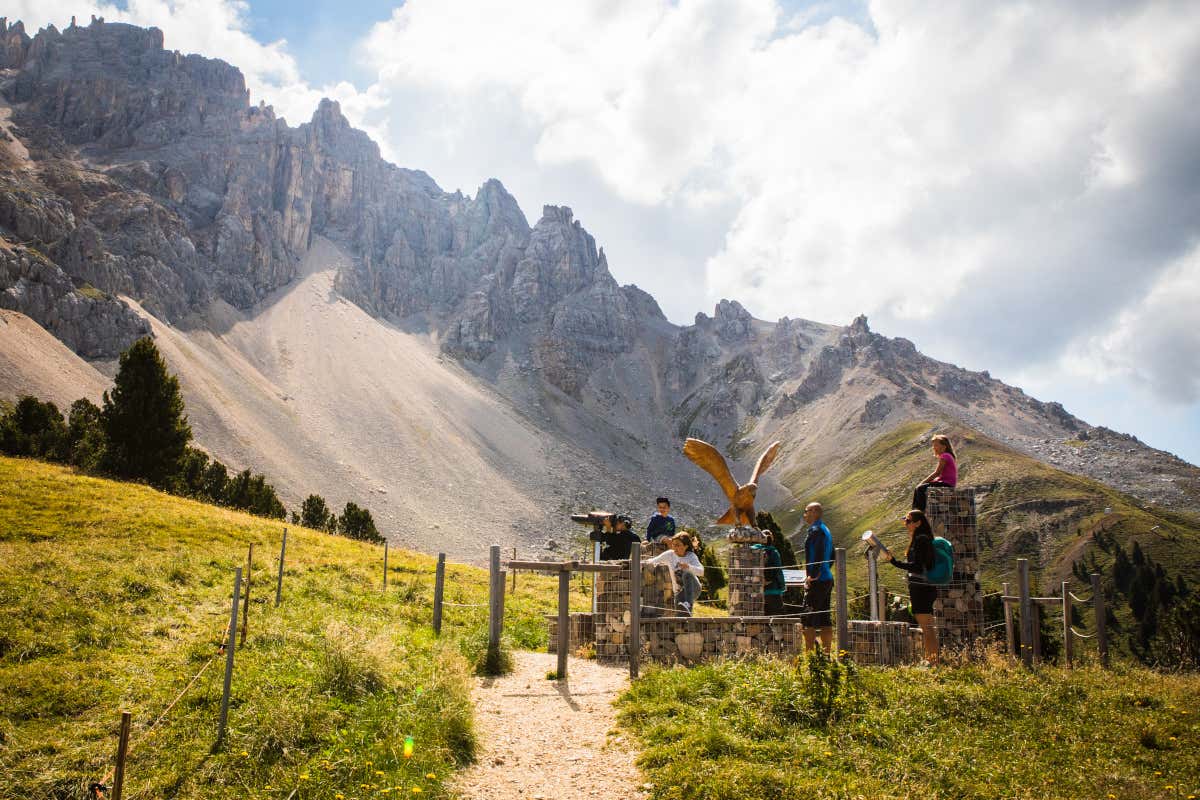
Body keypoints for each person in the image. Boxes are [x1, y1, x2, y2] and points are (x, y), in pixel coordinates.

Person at [882, 509, 940, 664]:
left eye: (908, 520)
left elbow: (917, 566)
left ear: (918, 523)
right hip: (924, 587)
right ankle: (932, 660)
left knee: (927, 627)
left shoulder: (921, 540)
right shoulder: (923, 538)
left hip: (921, 587)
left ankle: (933, 661)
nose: (905, 523)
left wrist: (894, 561)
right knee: (927, 626)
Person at [801, 502, 834, 653]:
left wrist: (812, 575)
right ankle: (827, 654)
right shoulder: (826, 529)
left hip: (818, 580)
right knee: (824, 618)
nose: (804, 514)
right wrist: (825, 569)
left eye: (806, 511)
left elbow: (819, 552)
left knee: (808, 619)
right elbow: (832, 554)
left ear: (814, 512)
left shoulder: (815, 530)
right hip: (827, 578)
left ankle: (810, 655)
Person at [646, 532, 704, 615]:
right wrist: (637, 563)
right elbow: (653, 561)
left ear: (686, 546)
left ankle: (688, 604)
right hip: (679, 593)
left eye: (678, 545)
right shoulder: (670, 554)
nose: (674, 547)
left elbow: (701, 572)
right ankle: (687, 610)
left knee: (687, 574)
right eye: (673, 545)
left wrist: (689, 567)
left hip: (694, 588)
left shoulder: (691, 556)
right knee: (681, 617)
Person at [911, 434, 957, 512]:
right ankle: (915, 512)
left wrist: (923, 482)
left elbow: (937, 473)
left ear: (943, 446)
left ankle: (920, 512)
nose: (933, 447)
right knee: (918, 488)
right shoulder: (948, 455)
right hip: (947, 482)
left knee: (920, 488)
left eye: (936, 445)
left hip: (946, 483)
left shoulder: (944, 456)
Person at [752, 531, 786, 615]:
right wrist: (782, 587)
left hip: (757, 591)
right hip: (773, 590)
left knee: (762, 620)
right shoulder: (774, 552)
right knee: (777, 618)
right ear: (771, 539)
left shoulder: (753, 551)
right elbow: (778, 571)